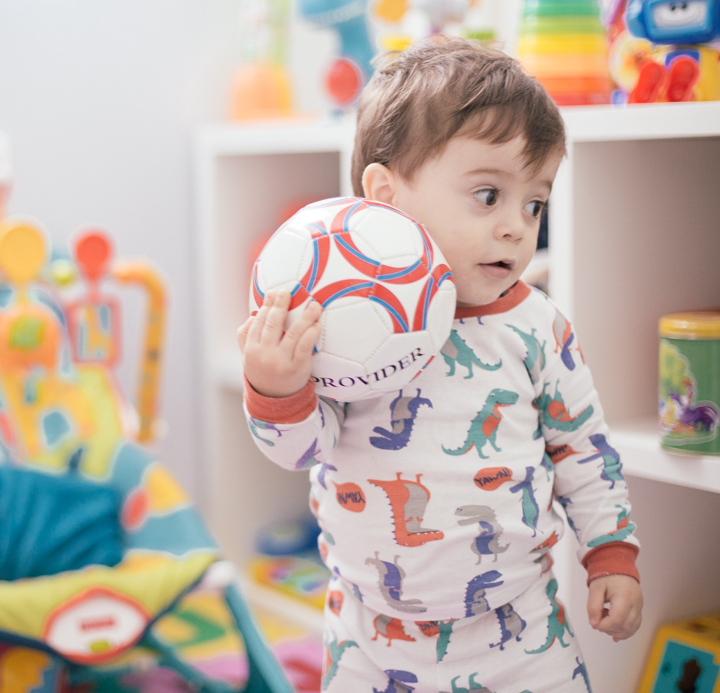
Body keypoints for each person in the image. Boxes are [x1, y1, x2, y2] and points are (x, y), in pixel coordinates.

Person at [237, 39, 642, 692]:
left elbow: (584, 451)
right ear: (385, 198)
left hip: (517, 627)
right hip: (372, 635)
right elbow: (301, 449)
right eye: (488, 194)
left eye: (534, 203)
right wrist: (277, 385)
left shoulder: (537, 327)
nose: (517, 226)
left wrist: (611, 555)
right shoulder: (339, 327)